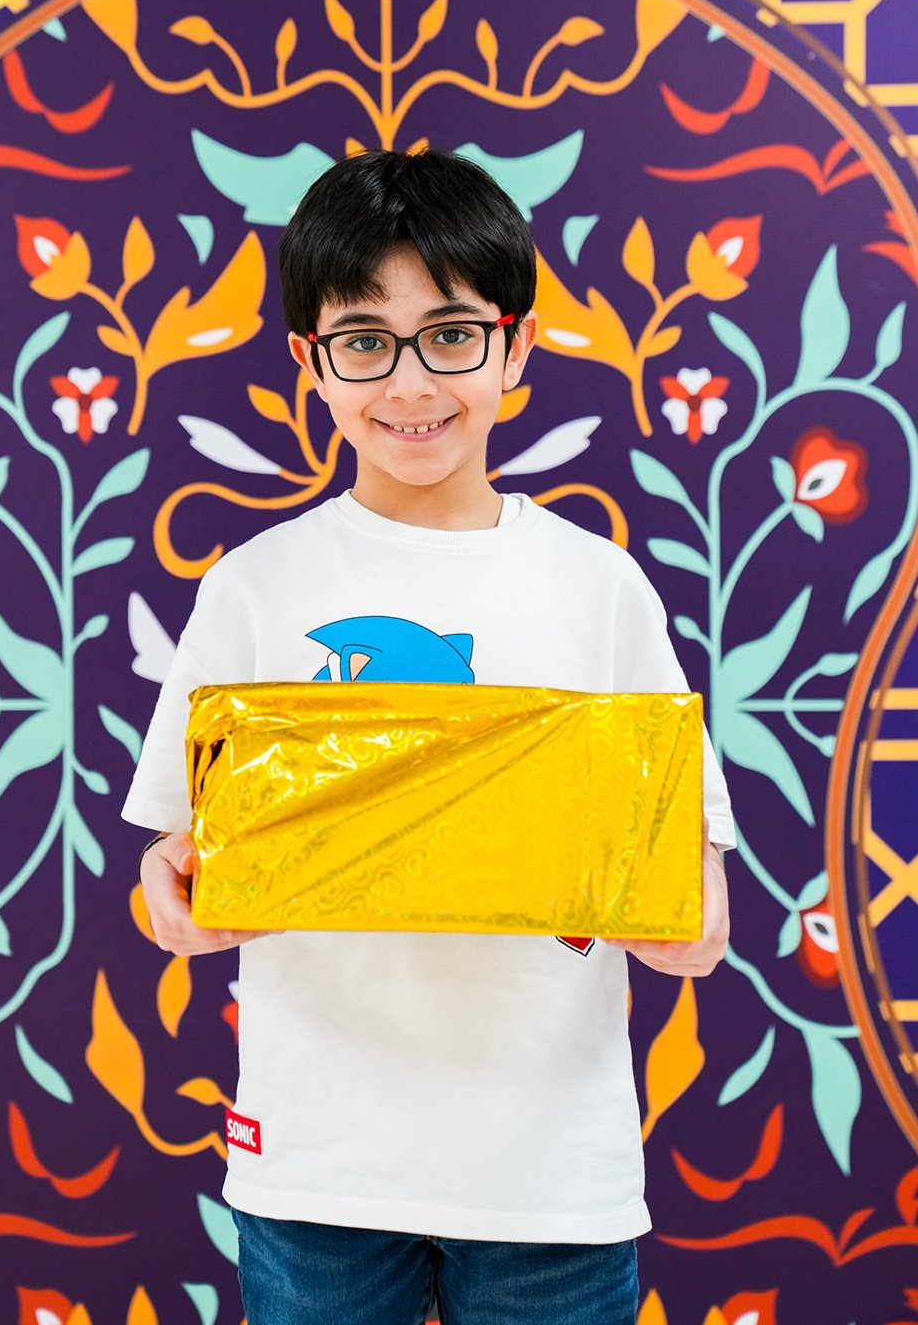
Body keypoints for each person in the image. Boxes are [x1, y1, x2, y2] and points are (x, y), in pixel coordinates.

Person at [124, 148, 733, 1325]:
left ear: (516, 344)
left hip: (552, 1174)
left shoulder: (599, 587)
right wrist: (176, 900)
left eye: (450, 333)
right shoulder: (253, 586)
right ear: (310, 360)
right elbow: (174, 868)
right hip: (316, 1165)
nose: (409, 381)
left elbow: (693, 892)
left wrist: (683, 924)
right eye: (365, 340)